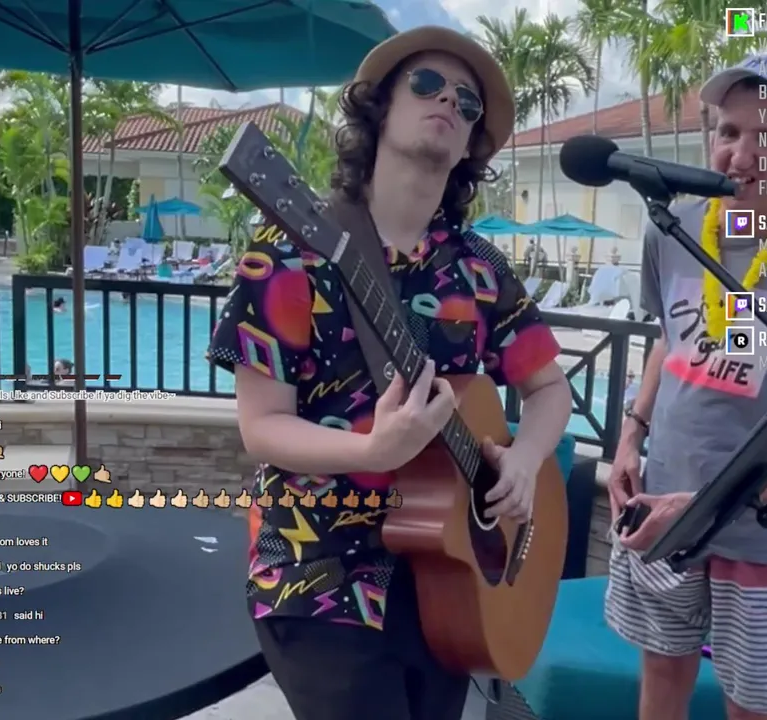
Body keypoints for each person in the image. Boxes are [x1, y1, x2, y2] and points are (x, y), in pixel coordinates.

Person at [208, 25, 571, 720]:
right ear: (379, 107)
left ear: (471, 146)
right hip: (318, 570)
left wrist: (525, 459)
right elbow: (261, 428)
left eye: (468, 102)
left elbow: (550, 388)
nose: (449, 102)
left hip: (450, 577)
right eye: (427, 84)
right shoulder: (286, 256)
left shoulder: (480, 268)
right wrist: (372, 450)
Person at [603, 54, 767, 720]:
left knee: (754, 706)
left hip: (766, 530)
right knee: (661, 674)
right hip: (661, 505)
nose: (742, 154)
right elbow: (669, 339)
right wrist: (631, 437)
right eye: (729, 131)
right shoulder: (672, 230)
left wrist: (716, 501)